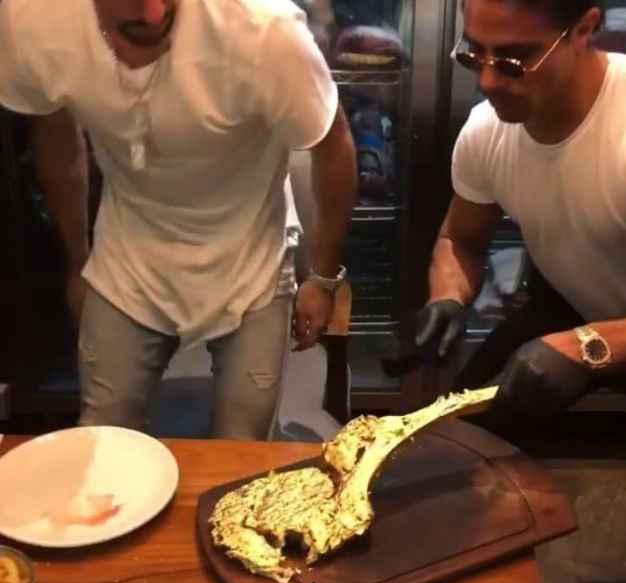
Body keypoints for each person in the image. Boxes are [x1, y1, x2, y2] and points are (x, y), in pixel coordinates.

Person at [0, 0, 357, 439]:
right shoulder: (32, 19)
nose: (153, 13)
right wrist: (77, 258)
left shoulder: (265, 30)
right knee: (104, 437)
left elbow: (333, 143)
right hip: (129, 249)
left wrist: (322, 279)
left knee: (242, 449)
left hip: (249, 256)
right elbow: (54, 129)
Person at [409, 0, 626, 420]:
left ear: (584, 29)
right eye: (474, 53)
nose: (487, 81)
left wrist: (588, 346)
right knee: (453, 431)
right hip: (575, 308)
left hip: (597, 330)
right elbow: (461, 239)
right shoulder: (485, 131)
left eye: (515, 58)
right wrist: (448, 297)